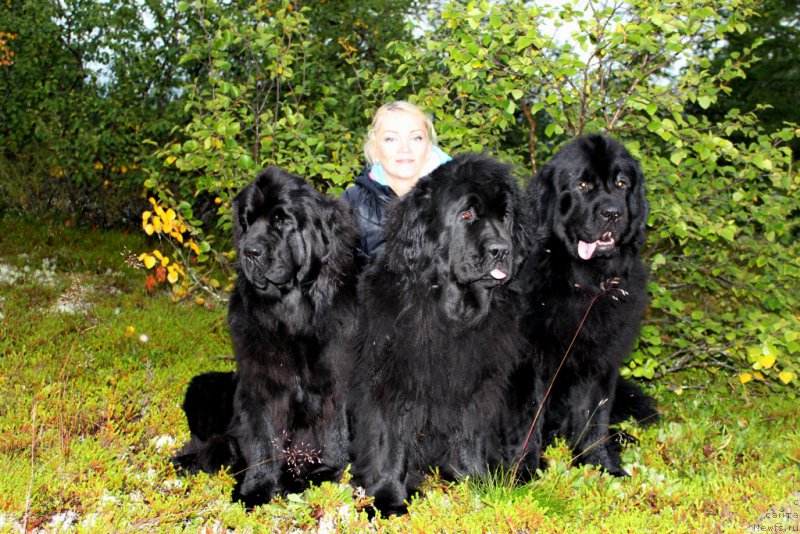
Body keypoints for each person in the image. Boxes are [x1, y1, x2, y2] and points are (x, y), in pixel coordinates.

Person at [342, 101, 451, 268]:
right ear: (375, 150)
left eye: (415, 137)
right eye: (391, 139)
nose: (405, 149)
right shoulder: (352, 203)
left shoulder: (458, 198)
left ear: (428, 147)